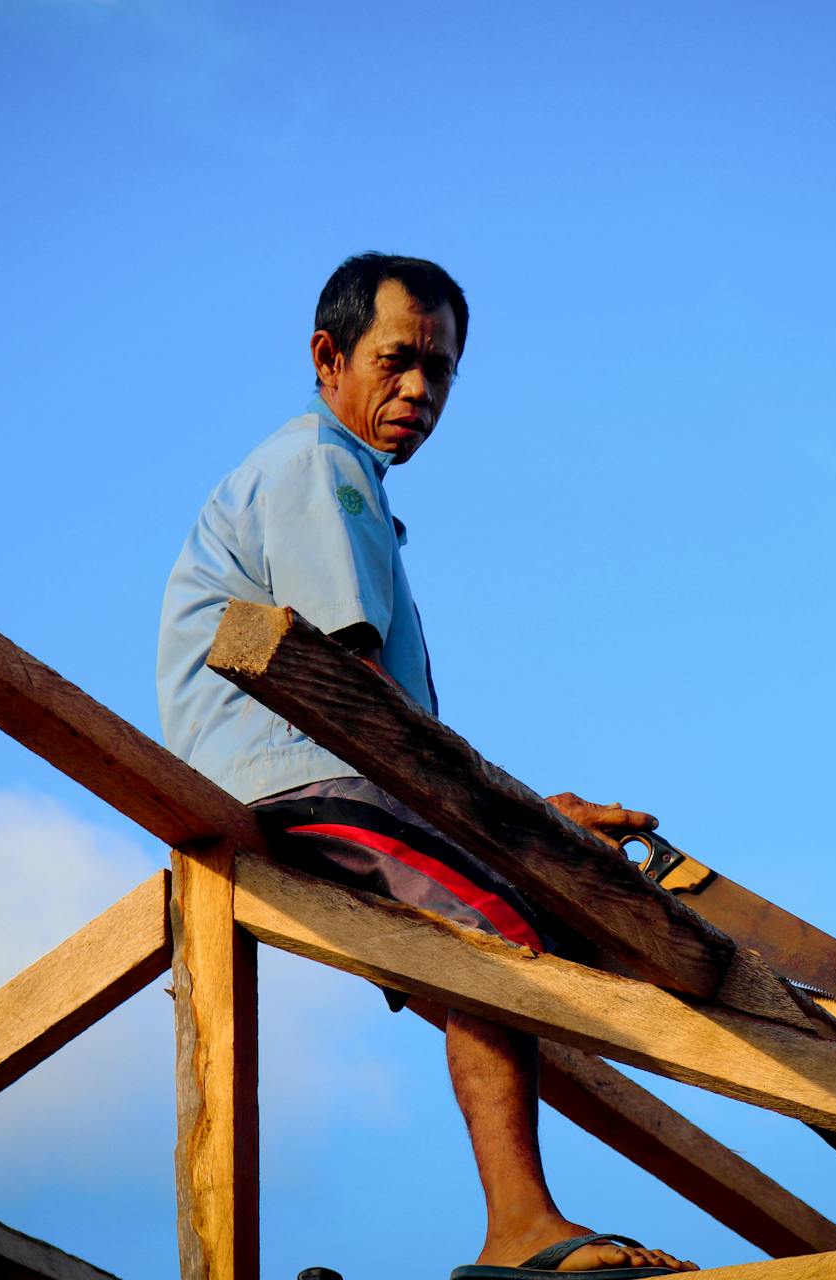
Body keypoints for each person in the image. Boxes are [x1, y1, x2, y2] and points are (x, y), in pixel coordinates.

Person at [158, 253, 698, 1278]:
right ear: (329, 356)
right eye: (397, 361)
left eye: (439, 372)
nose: (418, 390)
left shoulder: (342, 479)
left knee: (581, 924)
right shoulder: (318, 466)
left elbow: (391, 723)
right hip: (294, 773)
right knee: (495, 931)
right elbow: (361, 694)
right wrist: (512, 822)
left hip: (329, 771)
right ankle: (521, 1232)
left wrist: (527, 813)